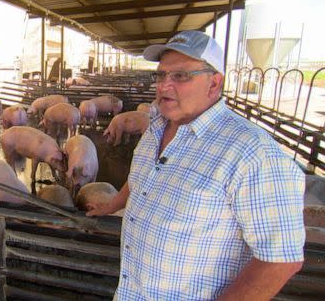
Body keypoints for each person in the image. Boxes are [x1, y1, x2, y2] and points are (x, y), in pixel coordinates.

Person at [87, 30, 305, 300]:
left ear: (214, 84)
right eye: (161, 75)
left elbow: (280, 260)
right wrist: (112, 205)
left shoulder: (253, 153)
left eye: (180, 76)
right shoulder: (153, 131)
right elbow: (141, 182)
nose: (164, 85)